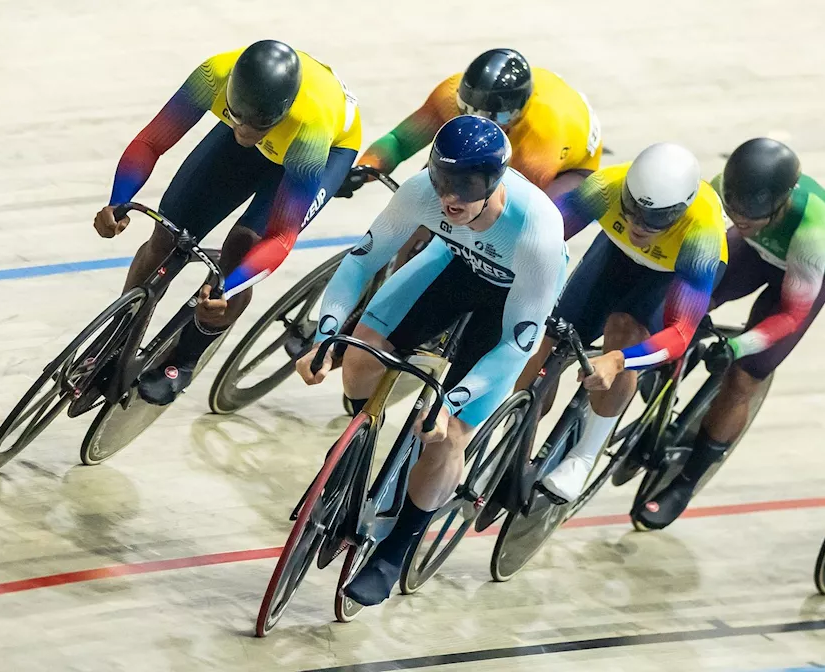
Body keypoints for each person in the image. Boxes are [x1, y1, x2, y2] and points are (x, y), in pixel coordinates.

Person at [294, 115, 568, 607]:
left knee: (448, 437)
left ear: (496, 182)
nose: (451, 197)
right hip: (453, 262)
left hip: (509, 303)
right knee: (360, 355)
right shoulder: (422, 192)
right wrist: (328, 335)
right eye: (444, 181)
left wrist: (450, 401)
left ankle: (395, 551)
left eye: (467, 186)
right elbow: (360, 261)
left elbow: (516, 345)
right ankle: (355, 459)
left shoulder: (536, 233)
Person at [95, 40, 362, 405]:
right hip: (268, 120)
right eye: (236, 117)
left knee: (241, 249)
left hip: (320, 151)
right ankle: (117, 337)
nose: (245, 132)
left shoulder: (310, 127)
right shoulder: (214, 74)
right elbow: (151, 142)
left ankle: (183, 361)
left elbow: (281, 236)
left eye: (256, 125)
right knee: (169, 231)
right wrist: (118, 200)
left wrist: (229, 288)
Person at [633, 138, 825, 530]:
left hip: (800, 272)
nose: (741, 216)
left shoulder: (813, 230)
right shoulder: (723, 187)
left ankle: (685, 482)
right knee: (686, 300)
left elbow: (790, 313)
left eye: (753, 212)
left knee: (742, 376)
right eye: (735, 208)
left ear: (782, 202)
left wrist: (738, 346)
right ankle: (667, 377)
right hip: (755, 249)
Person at [519, 142, 729, 504]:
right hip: (617, 254)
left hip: (669, 274)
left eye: (656, 219)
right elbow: (537, 238)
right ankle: (514, 442)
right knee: (550, 335)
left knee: (624, 333)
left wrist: (618, 360)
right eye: (631, 210)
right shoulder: (607, 187)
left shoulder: (702, 237)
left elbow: (679, 334)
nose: (639, 224)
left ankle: (584, 455)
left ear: (681, 210)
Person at [338, 48, 602, 265]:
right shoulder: (449, 95)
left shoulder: (541, 137)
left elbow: (510, 210)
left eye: (495, 119)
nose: (479, 122)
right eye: (468, 111)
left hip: (568, 171)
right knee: (429, 206)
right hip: (499, 148)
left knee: (519, 248)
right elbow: (399, 141)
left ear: (517, 113)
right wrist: (365, 168)